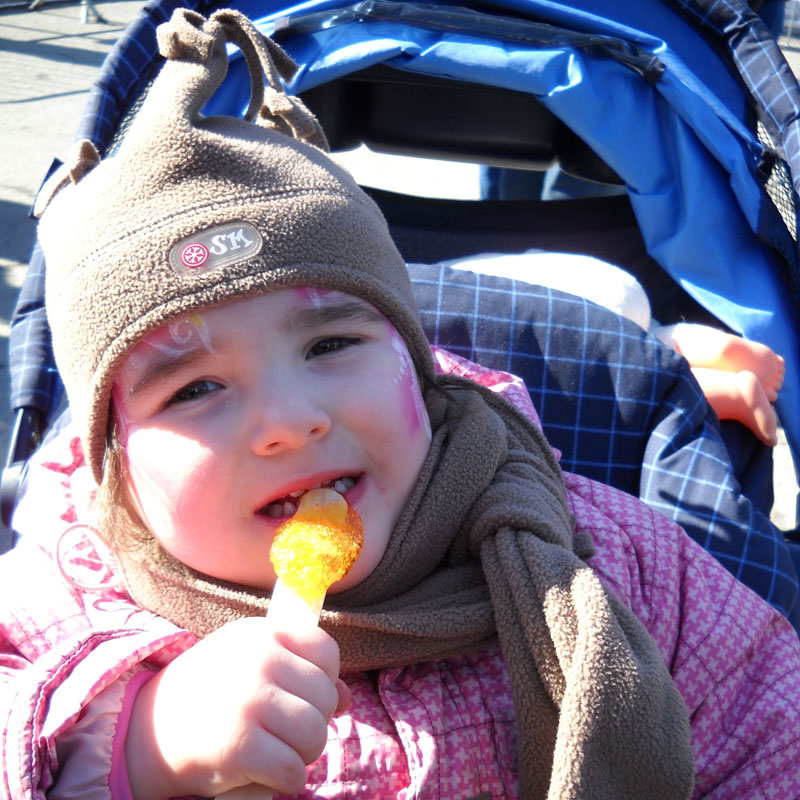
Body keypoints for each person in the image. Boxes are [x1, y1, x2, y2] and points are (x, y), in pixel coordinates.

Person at [2, 8, 800, 800]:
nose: (291, 420)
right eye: (195, 389)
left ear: (418, 370)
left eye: (330, 346)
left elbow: (771, 730)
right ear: (116, 461)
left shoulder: (610, 559)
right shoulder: (66, 594)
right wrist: (137, 744)